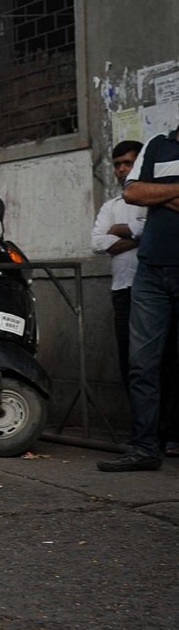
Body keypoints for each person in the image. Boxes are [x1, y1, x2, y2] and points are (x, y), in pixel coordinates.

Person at [99, 118, 179, 471]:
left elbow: (147, 194)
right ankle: (144, 448)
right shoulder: (157, 145)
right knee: (142, 364)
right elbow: (133, 193)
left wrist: (160, 192)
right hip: (150, 270)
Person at [91, 141, 146, 395]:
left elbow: (152, 233)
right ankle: (138, 424)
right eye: (117, 165)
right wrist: (138, 238)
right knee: (127, 357)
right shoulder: (111, 206)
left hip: (151, 289)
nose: (122, 169)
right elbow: (98, 243)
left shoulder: (152, 201)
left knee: (160, 357)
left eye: (128, 163)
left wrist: (122, 231)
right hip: (122, 291)